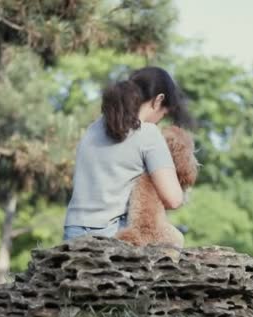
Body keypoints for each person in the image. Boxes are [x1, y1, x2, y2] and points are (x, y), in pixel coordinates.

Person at [62, 66, 191, 241]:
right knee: (176, 239)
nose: (161, 119)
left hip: (72, 232)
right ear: (158, 100)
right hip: (111, 235)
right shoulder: (148, 133)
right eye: (164, 113)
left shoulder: (93, 129)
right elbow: (173, 199)